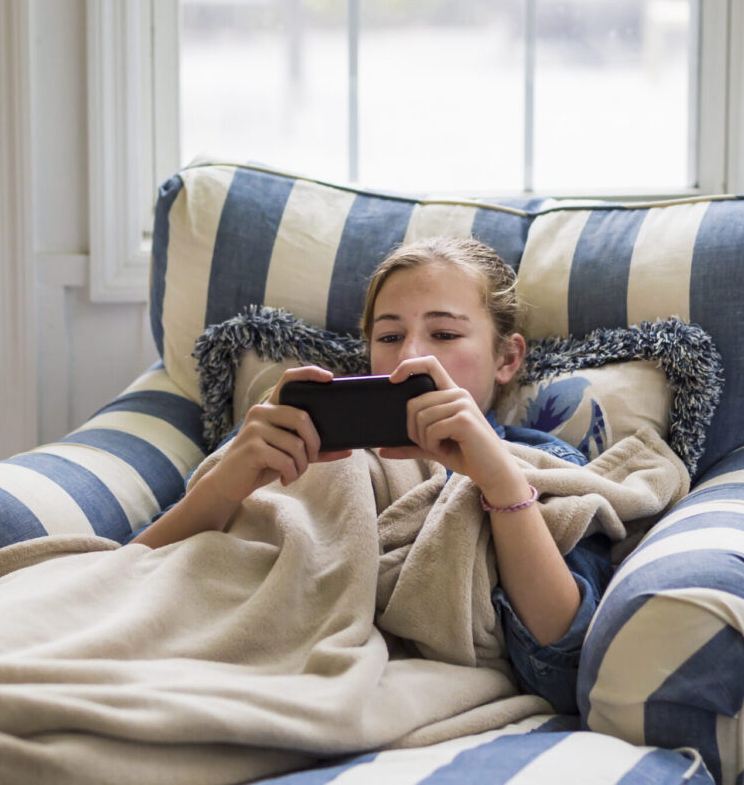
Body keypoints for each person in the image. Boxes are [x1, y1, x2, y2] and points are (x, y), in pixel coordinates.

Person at [131, 236, 613, 715]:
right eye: (388, 337)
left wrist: (501, 482)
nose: (410, 357)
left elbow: (564, 666)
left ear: (507, 358)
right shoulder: (285, 430)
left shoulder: (541, 463)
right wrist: (228, 479)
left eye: (444, 334)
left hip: (364, 687)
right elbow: (130, 574)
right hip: (212, 647)